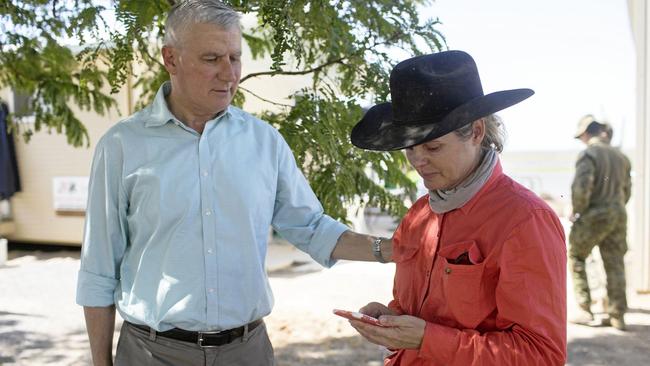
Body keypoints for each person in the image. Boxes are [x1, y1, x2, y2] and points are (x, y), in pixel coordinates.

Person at [75, 1, 392, 365]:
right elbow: (98, 268)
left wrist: (396, 249)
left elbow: (311, 227)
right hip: (152, 353)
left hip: (248, 351)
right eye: (212, 59)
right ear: (171, 59)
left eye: (235, 58)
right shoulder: (121, 146)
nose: (229, 74)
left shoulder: (264, 141)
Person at [347, 50, 567, 365]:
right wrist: (392, 319)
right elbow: (420, 309)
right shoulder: (419, 214)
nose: (417, 161)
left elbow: (541, 355)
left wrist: (427, 339)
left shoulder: (525, 220)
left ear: (476, 132)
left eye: (433, 147)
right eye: (410, 148)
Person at [568, 115, 632, 330]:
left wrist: (576, 212)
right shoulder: (621, 157)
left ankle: (585, 309)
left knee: (576, 255)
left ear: (586, 133)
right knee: (615, 262)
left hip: (595, 214)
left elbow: (581, 188)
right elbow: (627, 191)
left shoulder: (589, 154)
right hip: (618, 214)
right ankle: (618, 316)